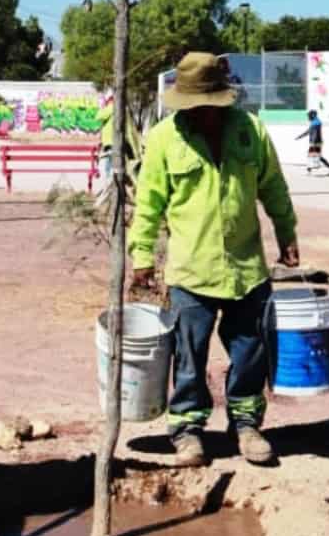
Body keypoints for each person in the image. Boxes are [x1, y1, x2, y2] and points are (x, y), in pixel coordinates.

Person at [128, 51, 299, 468]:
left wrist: (286, 233)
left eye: (209, 103)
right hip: (191, 269)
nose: (203, 113)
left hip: (246, 268)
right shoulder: (165, 138)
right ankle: (187, 430)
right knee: (190, 354)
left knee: (251, 351)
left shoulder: (250, 131)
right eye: (194, 105)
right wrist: (142, 254)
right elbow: (149, 201)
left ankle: (246, 425)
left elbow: (273, 186)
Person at [297, 109, 329, 175]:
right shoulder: (314, 122)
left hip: (316, 142)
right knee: (314, 156)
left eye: (309, 115)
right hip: (315, 142)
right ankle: (328, 167)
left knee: (314, 156)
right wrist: (300, 136)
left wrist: (313, 143)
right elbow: (309, 131)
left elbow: (315, 133)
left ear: (313, 115)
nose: (308, 117)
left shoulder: (316, 123)